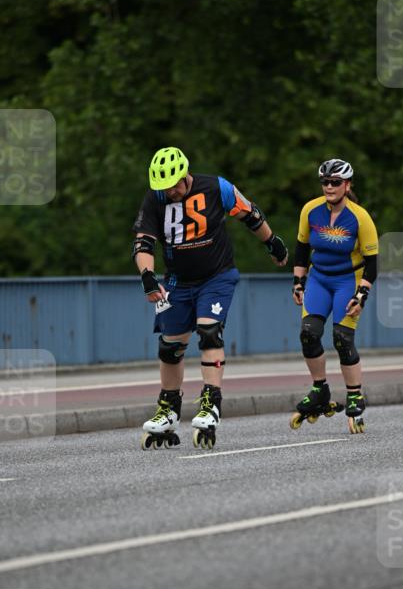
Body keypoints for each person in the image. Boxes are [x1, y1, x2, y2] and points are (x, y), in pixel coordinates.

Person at [132, 146, 288, 448]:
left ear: (185, 175)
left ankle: (210, 403)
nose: (171, 192)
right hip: (177, 282)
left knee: (209, 331)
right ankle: (169, 409)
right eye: (163, 188)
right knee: (170, 346)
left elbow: (251, 214)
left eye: (174, 185)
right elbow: (143, 244)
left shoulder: (217, 188)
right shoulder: (155, 199)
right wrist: (148, 277)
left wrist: (272, 242)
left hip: (217, 276)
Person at [291, 158, 378, 433]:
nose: (329, 187)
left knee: (342, 338)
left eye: (335, 182)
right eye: (325, 182)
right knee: (308, 333)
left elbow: (373, 262)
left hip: (347, 280)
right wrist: (298, 281)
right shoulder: (310, 210)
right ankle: (320, 390)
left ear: (347, 185)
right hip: (318, 278)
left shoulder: (360, 217)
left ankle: (354, 394)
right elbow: (302, 248)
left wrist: (361, 294)